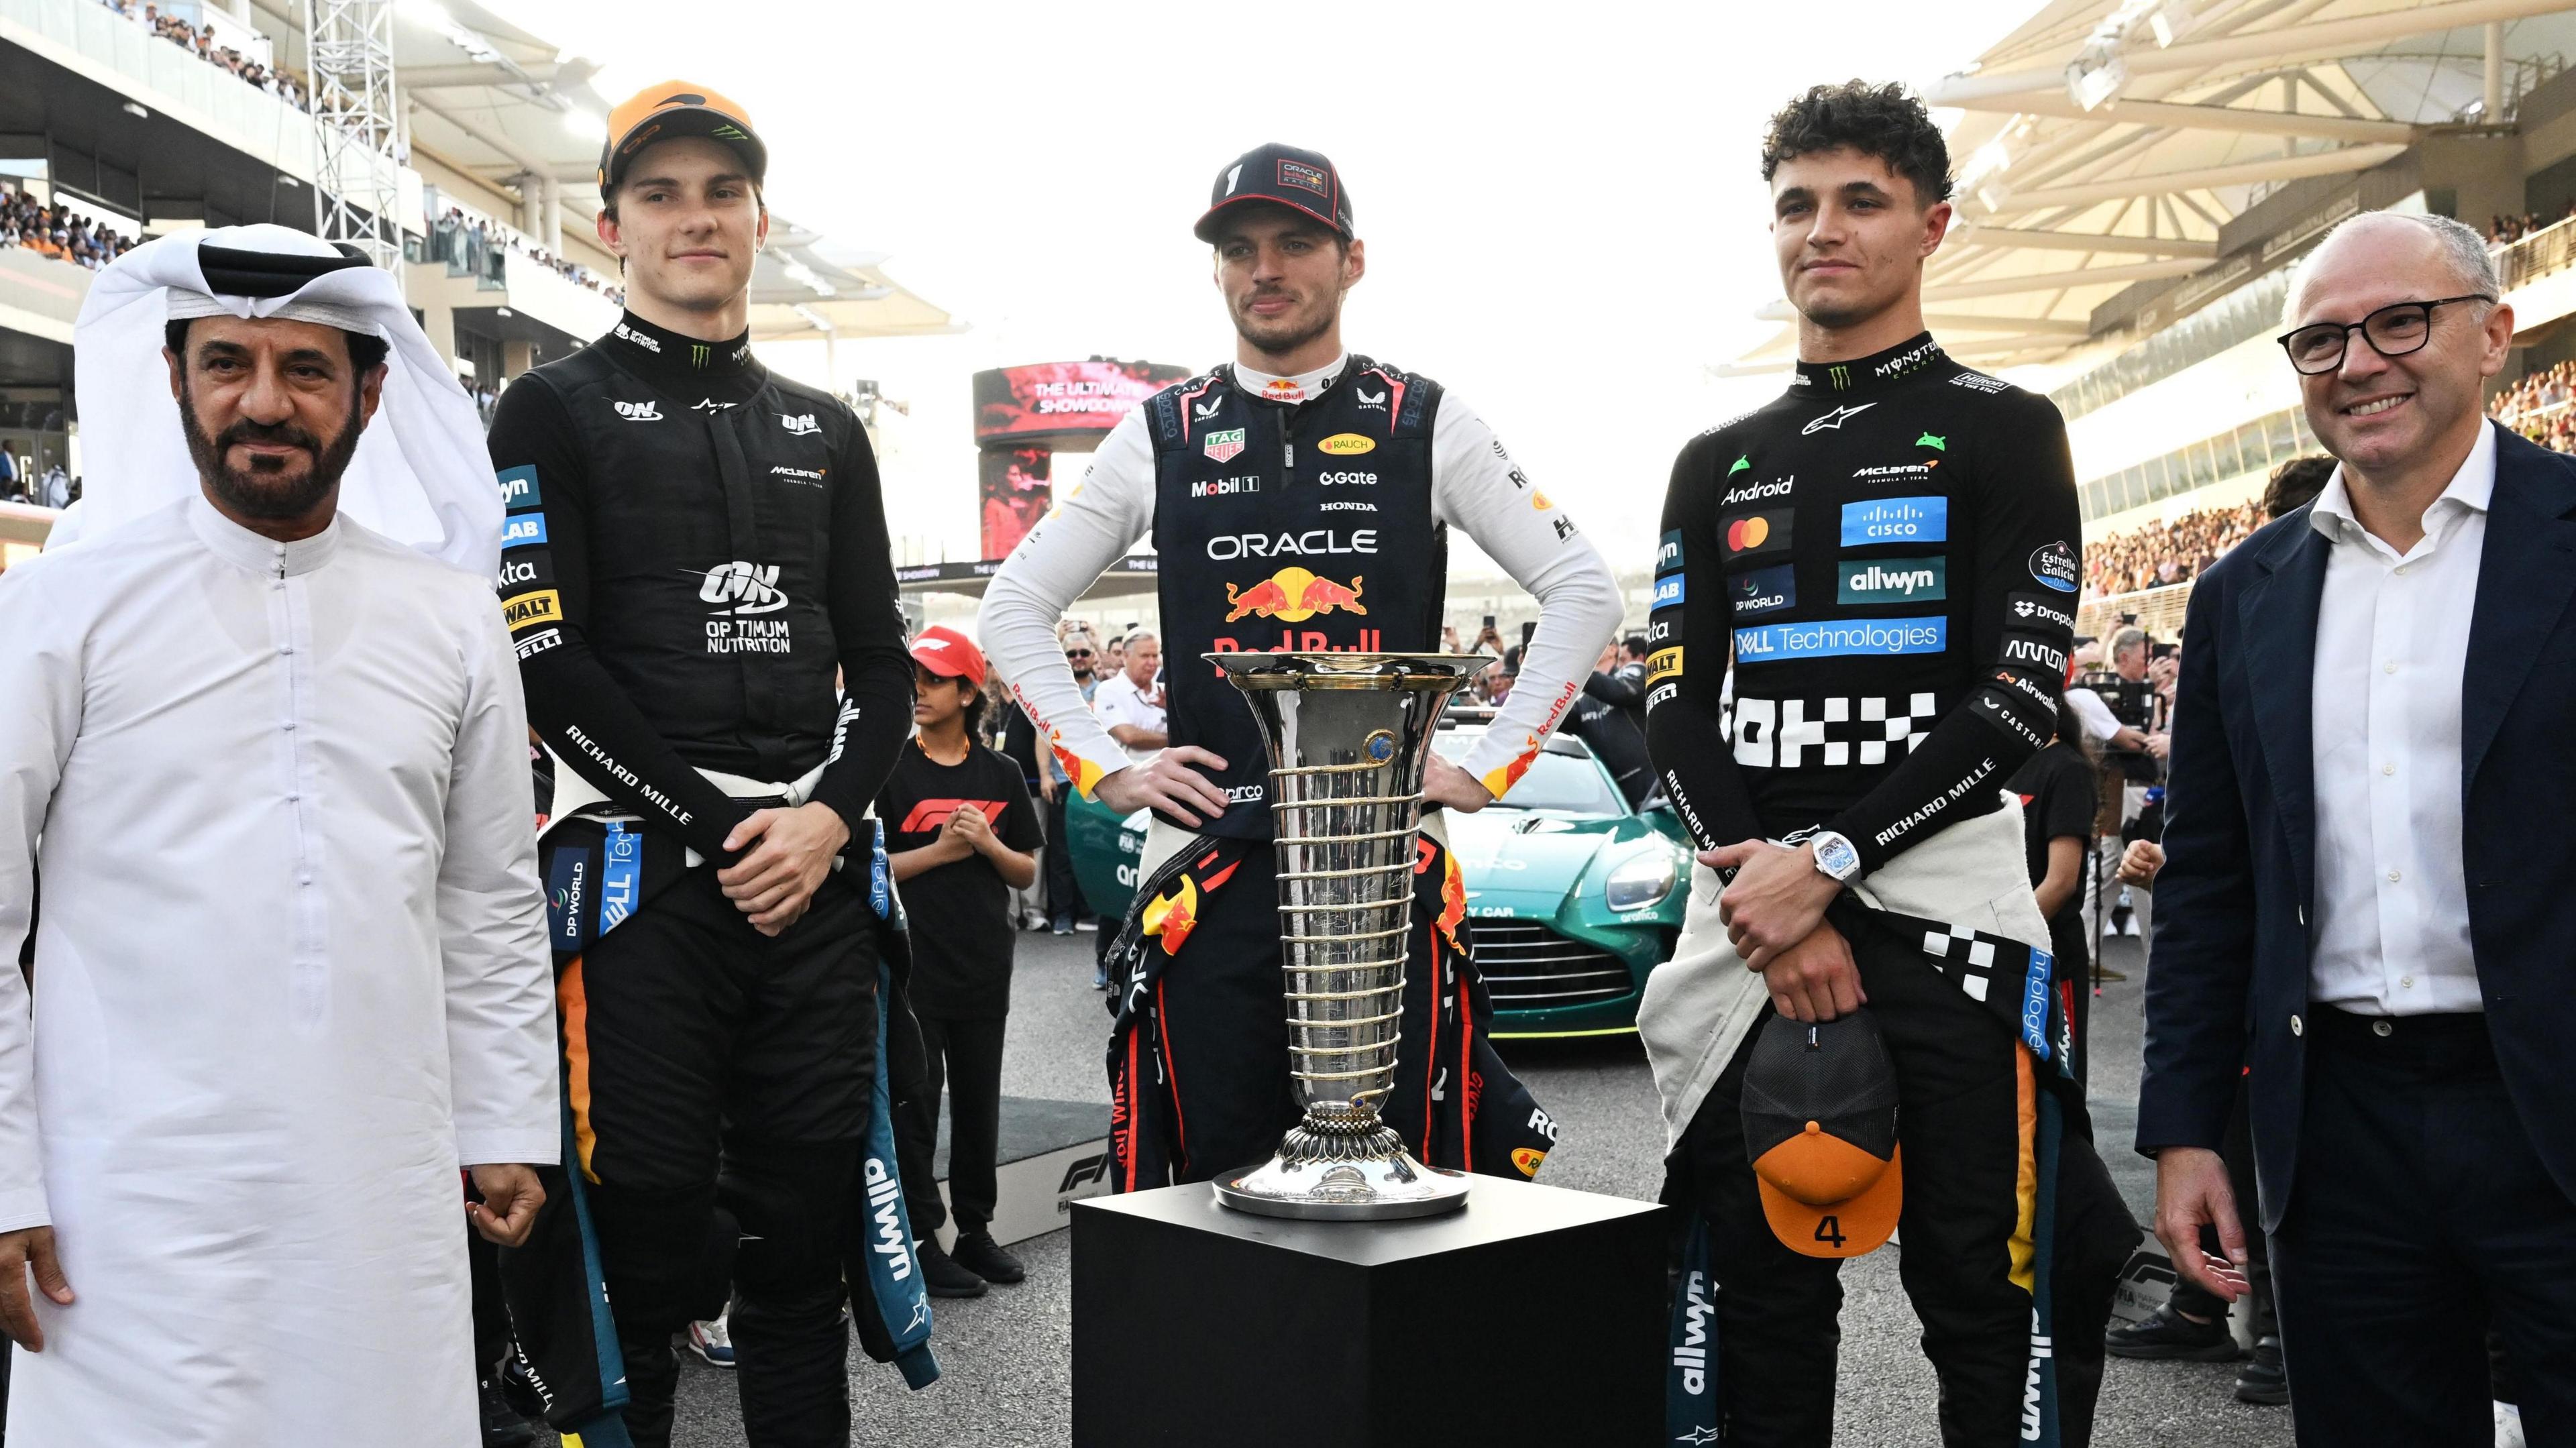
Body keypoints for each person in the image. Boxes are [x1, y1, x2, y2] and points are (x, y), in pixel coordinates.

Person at [1638, 83, 2135, 1447]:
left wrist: (1831, 863)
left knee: (1990, 1295)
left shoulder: (2008, 424)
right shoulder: (1713, 460)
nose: (1824, 229)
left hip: (1946, 911)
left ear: (1933, 226)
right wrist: (1778, 896)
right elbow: (1672, 705)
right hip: (1753, 922)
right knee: (1756, 1304)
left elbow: (2018, 694)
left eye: (1861, 200)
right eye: (1797, 204)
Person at [0, 225, 555, 1444]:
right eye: (226, 363)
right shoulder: (58, 607)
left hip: (378, 1183)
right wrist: (4, 1177)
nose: (263, 402)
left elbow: (488, 895)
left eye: (306, 368)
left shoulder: (455, 616)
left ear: (370, 390)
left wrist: (510, 1122)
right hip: (123, 1196)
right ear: (173, 377)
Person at [979, 141, 1620, 1191]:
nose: (1266, 269)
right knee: (1212, 1181)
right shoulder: (1164, 430)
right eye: (1240, 249)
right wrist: (1107, 766)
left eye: (1294, 243)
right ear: (1217, 270)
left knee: (1397, 1171)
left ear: (1352, 259)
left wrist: (1487, 764)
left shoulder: (1423, 417)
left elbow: (1585, 589)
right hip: (1208, 860)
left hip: (1383, 867)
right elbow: (1013, 606)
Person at [481, 82, 919, 1446]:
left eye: (722, 193)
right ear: (611, 225)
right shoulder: (545, 409)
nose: (695, 218)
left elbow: (885, 664)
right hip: (643, 889)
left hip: (812, 886)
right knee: (648, 1252)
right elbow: (545, 657)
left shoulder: (826, 427)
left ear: (759, 220)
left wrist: (829, 819)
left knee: (800, 1252)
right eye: (660, 194)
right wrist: (729, 827)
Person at [2141, 209, 2576, 1446]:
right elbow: (2211, 879)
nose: (2359, 362)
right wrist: (2183, 1128)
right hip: (2339, 1131)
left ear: (2492, 334)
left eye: (2400, 322)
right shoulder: (2242, 593)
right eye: (2322, 340)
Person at [878, 626, 1040, 1298]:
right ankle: (921, 1239)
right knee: (915, 1107)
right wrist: (943, 851)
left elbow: (1027, 870)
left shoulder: (1000, 771)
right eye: (914, 675)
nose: (919, 689)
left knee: (979, 1106)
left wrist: (989, 846)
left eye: (934, 678)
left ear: (969, 692)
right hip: (914, 967)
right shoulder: (889, 767)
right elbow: (869, 868)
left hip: (984, 964)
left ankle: (976, 1228)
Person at [1038, 628, 1102, 936]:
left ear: (1094, 656)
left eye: (1084, 653)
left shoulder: (1106, 691)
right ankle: (1063, 914)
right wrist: (1046, 775)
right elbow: (1043, 736)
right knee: (1061, 852)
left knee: (1093, 849)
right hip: (1064, 781)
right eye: (1071, 654)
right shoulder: (1053, 692)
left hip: (1099, 783)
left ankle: (1092, 912)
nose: (1078, 658)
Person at [1090, 629, 1169, 763]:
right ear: (1126, 656)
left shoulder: (1165, 691)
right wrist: (1176, 739)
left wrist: (1170, 709)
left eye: (1155, 656)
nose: (1152, 662)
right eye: (1145, 656)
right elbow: (1129, 737)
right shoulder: (1108, 690)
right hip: (1131, 772)